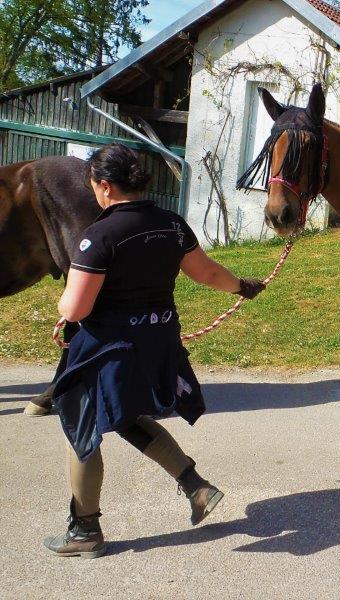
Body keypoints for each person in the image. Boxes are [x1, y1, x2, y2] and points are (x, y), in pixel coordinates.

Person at [44, 144, 266, 558]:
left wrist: (61, 311)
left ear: (105, 186)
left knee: (83, 430)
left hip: (106, 350)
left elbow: (76, 308)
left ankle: (84, 532)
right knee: (128, 416)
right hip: (157, 341)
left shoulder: (100, 235)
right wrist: (242, 286)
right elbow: (208, 272)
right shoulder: (172, 225)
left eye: (94, 185)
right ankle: (196, 487)